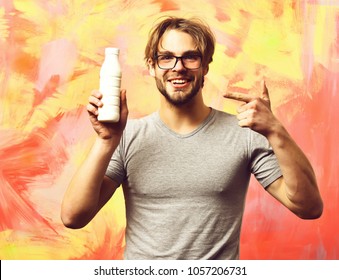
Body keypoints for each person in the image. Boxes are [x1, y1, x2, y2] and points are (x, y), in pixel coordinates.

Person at [61, 16, 323, 259]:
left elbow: (308, 207)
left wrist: (277, 131)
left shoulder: (244, 133)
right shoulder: (126, 136)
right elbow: (73, 217)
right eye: (166, 58)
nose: (179, 67)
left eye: (190, 57)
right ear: (152, 66)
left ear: (205, 66)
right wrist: (106, 141)